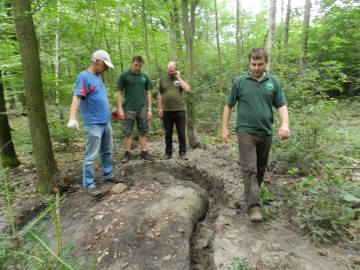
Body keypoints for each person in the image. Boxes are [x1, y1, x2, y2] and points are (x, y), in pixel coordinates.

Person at [221, 47, 290, 222]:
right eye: (253, 64)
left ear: (266, 63)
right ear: (249, 62)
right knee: (249, 168)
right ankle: (253, 207)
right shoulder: (240, 81)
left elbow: (281, 104)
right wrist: (225, 128)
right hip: (245, 131)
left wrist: (285, 123)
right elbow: (228, 105)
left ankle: (252, 195)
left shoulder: (273, 82)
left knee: (260, 168)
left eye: (260, 64)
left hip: (266, 131)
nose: (256, 68)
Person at [67, 50, 118, 197]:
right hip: (93, 123)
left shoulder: (98, 78)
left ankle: (107, 174)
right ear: (97, 62)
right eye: (105, 66)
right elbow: (76, 97)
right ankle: (88, 184)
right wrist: (72, 118)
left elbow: (102, 98)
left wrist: (113, 110)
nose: (106, 69)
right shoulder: (84, 76)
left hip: (105, 121)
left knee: (107, 151)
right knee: (91, 155)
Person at [117, 55, 154, 162]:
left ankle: (144, 152)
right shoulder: (124, 76)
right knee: (127, 132)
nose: (138, 67)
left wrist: (150, 109)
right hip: (128, 108)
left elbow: (148, 93)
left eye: (140, 65)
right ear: (132, 63)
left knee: (143, 130)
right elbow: (120, 92)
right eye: (136, 65)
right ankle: (127, 154)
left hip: (142, 108)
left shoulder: (144, 77)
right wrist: (120, 108)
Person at [158, 61, 190, 160]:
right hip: (167, 111)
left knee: (181, 133)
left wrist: (178, 77)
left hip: (179, 110)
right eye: (168, 71)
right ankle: (168, 153)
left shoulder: (181, 78)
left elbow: (187, 89)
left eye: (172, 71)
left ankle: (183, 152)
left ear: (176, 69)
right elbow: (160, 94)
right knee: (168, 133)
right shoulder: (163, 79)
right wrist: (160, 108)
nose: (170, 72)